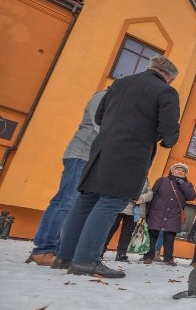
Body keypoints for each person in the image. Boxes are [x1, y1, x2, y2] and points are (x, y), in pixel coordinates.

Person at [53, 55, 180, 278]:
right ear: (170, 79)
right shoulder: (165, 92)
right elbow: (169, 129)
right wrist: (165, 140)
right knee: (110, 203)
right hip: (129, 154)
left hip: (101, 149)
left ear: (150, 67)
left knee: (86, 200)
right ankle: (86, 260)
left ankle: (65, 256)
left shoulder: (119, 83)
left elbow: (100, 117)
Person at [26, 91, 106, 266]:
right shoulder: (103, 97)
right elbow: (100, 125)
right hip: (80, 156)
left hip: (92, 159)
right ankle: (44, 249)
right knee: (65, 201)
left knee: (78, 206)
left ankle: (62, 251)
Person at [143, 163, 196, 266]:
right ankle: (148, 256)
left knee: (169, 237)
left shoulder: (187, 184)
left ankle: (168, 258)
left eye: (183, 171)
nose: (180, 171)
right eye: (178, 169)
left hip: (174, 214)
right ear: (172, 171)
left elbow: (191, 196)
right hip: (158, 212)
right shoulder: (162, 180)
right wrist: (148, 212)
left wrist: (183, 184)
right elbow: (153, 195)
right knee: (152, 235)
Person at [102, 180, 152, 262]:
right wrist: (132, 196)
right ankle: (100, 251)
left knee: (128, 232)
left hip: (135, 209)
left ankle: (121, 254)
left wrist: (142, 198)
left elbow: (150, 193)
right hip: (120, 206)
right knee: (110, 229)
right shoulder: (127, 172)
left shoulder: (145, 178)